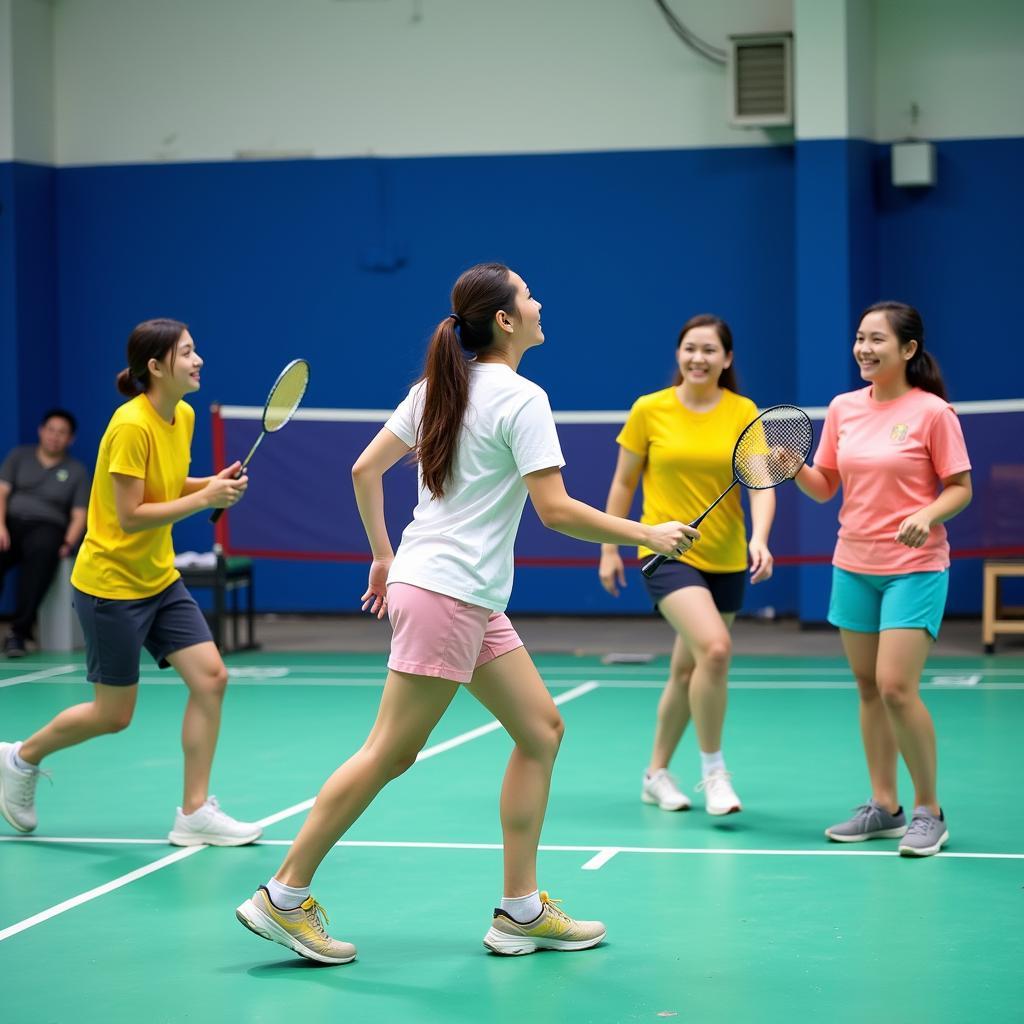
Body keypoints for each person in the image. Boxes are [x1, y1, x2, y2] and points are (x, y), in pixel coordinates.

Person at [235, 263, 697, 964]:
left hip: (458, 594)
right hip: (449, 595)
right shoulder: (521, 398)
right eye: (529, 295)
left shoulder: (435, 390)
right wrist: (647, 533)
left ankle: (520, 910)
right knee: (390, 751)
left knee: (541, 729)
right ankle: (284, 896)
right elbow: (556, 511)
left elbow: (364, 471)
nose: (541, 302)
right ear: (507, 320)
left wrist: (385, 555)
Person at [0, 318, 261, 847]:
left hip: (158, 578)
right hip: (110, 586)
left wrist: (208, 482)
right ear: (156, 366)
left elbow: (161, 485)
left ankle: (194, 813)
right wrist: (204, 500)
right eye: (187, 352)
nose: (198, 360)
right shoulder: (129, 426)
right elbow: (130, 514)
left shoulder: (181, 415)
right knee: (112, 715)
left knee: (211, 678)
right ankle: (20, 757)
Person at [793, 302, 971, 857]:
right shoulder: (843, 408)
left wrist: (928, 514)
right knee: (868, 687)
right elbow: (825, 486)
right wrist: (791, 464)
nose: (864, 349)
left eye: (877, 340)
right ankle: (883, 806)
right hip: (853, 564)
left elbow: (959, 487)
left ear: (908, 350)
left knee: (896, 686)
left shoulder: (933, 413)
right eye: (860, 338)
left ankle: (929, 810)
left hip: (914, 569)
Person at [599, 315, 776, 816]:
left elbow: (760, 483)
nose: (698, 358)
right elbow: (622, 485)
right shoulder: (649, 410)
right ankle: (714, 772)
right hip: (665, 554)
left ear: (727, 358)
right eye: (690, 349)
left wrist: (760, 539)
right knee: (716, 650)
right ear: (679, 354)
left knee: (687, 670)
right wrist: (611, 547)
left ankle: (655, 774)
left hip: (725, 559)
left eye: (709, 350)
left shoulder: (744, 412)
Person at [0, 409, 90, 657]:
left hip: (47, 528)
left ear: (70, 439)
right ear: (41, 431)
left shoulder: (77, 471)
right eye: (51, 430)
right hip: (10, 524)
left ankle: (18, 633)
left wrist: (68, 543)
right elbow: (2, 493)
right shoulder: (19, 457)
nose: (55, 436)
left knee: (42, 554)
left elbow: (79, 515)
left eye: (62, 433)